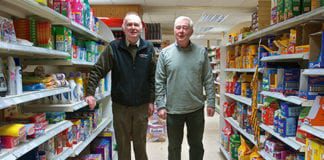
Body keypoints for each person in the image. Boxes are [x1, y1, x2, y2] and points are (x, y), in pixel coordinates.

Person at [85, 12, 156, 160]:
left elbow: (153, 77)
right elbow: (98, 69)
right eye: (129, 24)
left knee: (140, 145)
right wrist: (90, 92)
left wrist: (151, 100)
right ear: (123, 28)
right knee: (123, 146)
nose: (133, 27)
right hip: (120, 106)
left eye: (136, 24)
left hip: (141, 105)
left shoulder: (148, 48)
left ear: (141, 27)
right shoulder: (114, 48)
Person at [155, 16, 216, 160]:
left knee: (196, 146)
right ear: (174, 30)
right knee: (174, 147)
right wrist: (160, 105)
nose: (181, 31)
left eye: (185, 27)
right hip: (173, 109)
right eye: (178, 27)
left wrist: (212, 102)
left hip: (196, 109)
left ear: (191, 31)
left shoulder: (201, 52)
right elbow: (159, 81)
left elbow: (208, 79)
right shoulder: (165, 53)